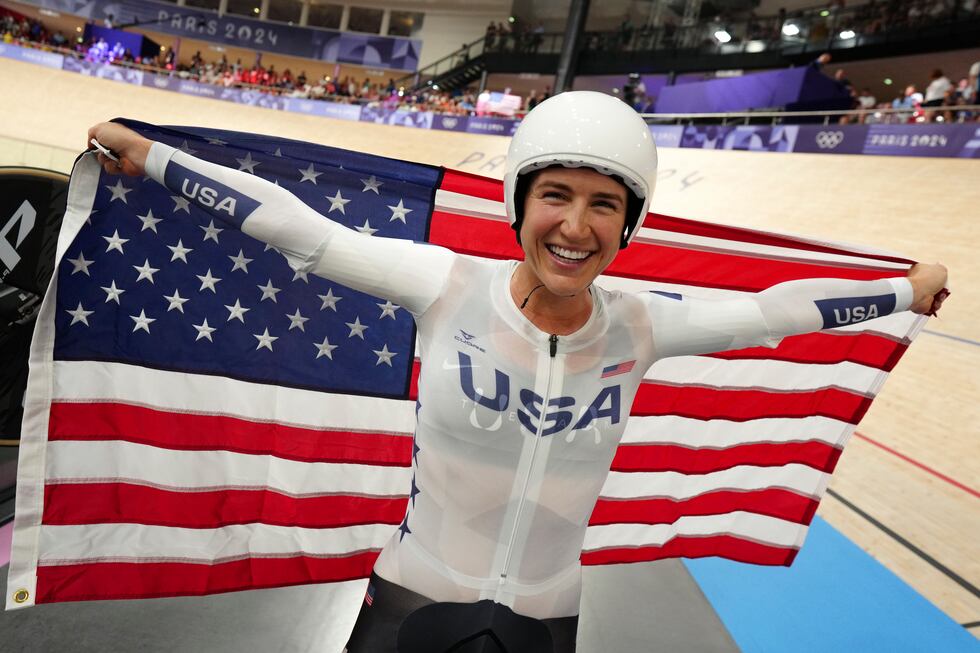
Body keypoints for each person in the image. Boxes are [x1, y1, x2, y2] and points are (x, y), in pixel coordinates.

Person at [85, 91, 948, 652]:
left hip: (547, 618)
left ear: (627, 223)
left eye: (603, 204)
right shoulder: (448, 287)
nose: (576, 226)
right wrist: (156, 157)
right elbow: (306, 233)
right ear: (520, 204)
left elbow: (776, 311)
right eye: (557, 196)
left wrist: (902, 291)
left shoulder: (646, 323)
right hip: (412, 603)